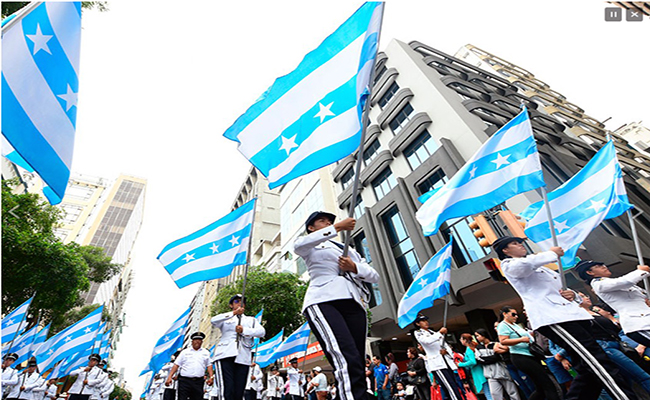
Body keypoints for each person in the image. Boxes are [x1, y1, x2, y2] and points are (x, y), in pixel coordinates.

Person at [493, 236, 637, 400]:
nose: (520, 245)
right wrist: (550, 254)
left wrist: (573, 295)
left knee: (586, 369)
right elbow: (524, 266)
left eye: (520, 242)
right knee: (597, 360)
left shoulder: (540, 266)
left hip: (571, 315)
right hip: (554, 318)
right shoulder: (510, 265)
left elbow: (560, 290)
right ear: (505, 250)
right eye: (515, 244)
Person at [294, 211, 380, 400]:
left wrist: (354, 267)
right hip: (323, 299)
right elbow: (298, 245)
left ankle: (356, 394)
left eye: (330, 221)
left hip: (352, 301)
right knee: (343, 354)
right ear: (311, 227)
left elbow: (374, 275)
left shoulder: (347, 249)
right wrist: (338, 227)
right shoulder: (311, 244)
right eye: (322, 221)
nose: (327, 223)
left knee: (356, 357)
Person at [576, 292, 650, 392]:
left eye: (585, 295)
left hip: (616, 343)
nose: (586, 298)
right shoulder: (578, 316)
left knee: (626, 381)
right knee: (642, 376)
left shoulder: (595, 312)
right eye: (582, 297)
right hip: (605, 346)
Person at [575, 260, 650, 347]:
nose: (603, 266)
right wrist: (641, 271)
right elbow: (625, 282)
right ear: (589, 272)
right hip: (640, 324)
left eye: (602, 264)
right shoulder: (598, 284)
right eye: (597, 266)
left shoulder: (611, 282)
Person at [496, 306, 560, 400]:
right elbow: (503, 341)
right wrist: (521, 339)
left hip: (529, 355)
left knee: (540, 388)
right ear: (504, 314)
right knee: (547, 384)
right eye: (513, 314)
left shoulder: (514, 325)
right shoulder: (503, 325)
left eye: (517, 314)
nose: (516, 316)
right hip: (521, 356)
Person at [209, 295, 265, 400]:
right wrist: (234, 313)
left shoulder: (251, 320)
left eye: (242, 302)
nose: (240, 303)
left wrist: (244, 330)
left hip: (243, 357)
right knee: (227, 388)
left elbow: (261, 332)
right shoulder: (226, 318)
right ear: (231, 305)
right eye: (236, 301)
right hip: (225, 355)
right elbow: (213, 321)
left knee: (239, 391)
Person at [412, 315, 465, 400]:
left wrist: (447, 352)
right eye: (423, 321)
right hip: (437, 364)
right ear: (417, 323)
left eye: (426, 320)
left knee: (454, 385)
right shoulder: (418, 333)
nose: (426, 322)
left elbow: (445, 345)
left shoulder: (432, 332)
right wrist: (440, 332)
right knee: (450, 386)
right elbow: (427, 341)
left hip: (446, 361)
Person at [473, 328, 519, 400]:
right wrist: (491, 358)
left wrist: (487, 359)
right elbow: (479, 360)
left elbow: (498, 357)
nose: (477, 338)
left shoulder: (495, 344)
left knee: (512, 391)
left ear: (483, 335)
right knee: (494, 394)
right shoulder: (478, 348)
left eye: (478, 335)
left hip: (502, 371)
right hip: (490, 374)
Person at [165, 332, 213, 400]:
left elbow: (209, 365)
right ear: (192, 341)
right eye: (195, 340)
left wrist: (211, 377)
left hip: (198, 382)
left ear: (202, 342)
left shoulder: (206, 352)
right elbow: (176, 365)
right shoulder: (185, 352)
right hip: (185, 381)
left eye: (199, 340)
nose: (197, 342)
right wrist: (169, 377)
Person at [457, 334, 491, 400]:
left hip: (478, 372)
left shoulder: (469, 349)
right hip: (481, 370)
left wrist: (460, 364)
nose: (460, 341)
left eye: (461, 339)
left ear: (465, 340)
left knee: (487, 392)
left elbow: (473, 361)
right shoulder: (473, 347)